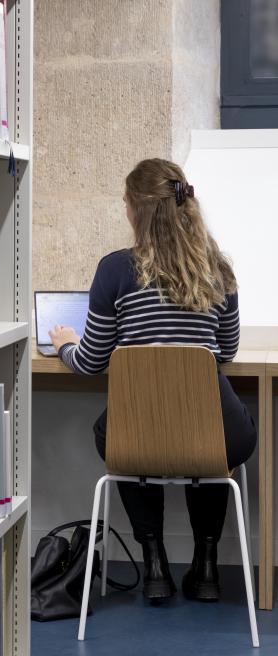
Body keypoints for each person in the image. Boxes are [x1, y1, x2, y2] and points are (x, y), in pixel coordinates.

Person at [49, 158, 257, 603]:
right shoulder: (218, 268)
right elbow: (228, 350)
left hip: (139, 432)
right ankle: (206, 569)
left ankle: (155, 565)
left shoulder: (115, 270)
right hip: (217, 433)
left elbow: (91, 361)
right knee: (215, 439)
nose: (124, 210)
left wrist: (66, 343)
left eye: (126, 202)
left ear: (137, 210)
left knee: (123, 433)